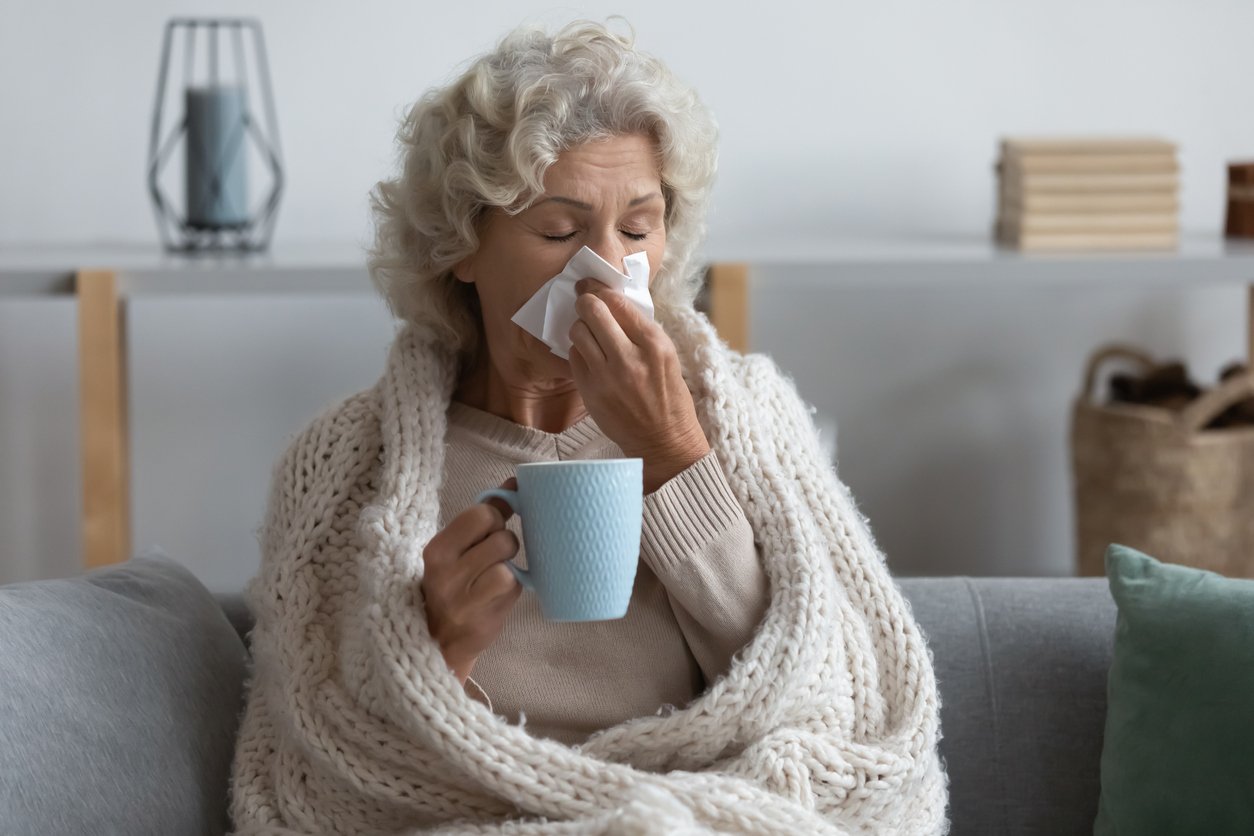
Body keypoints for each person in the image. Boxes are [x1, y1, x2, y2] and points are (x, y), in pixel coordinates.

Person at [229, 20, 947, 835]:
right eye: (560, 232)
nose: (604, 271)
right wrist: (433, 655)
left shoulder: (740, 414)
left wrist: (673, 453)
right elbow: (332, 766)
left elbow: (829, 696)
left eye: (637, 229)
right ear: (460, 247)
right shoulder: (346, 464)